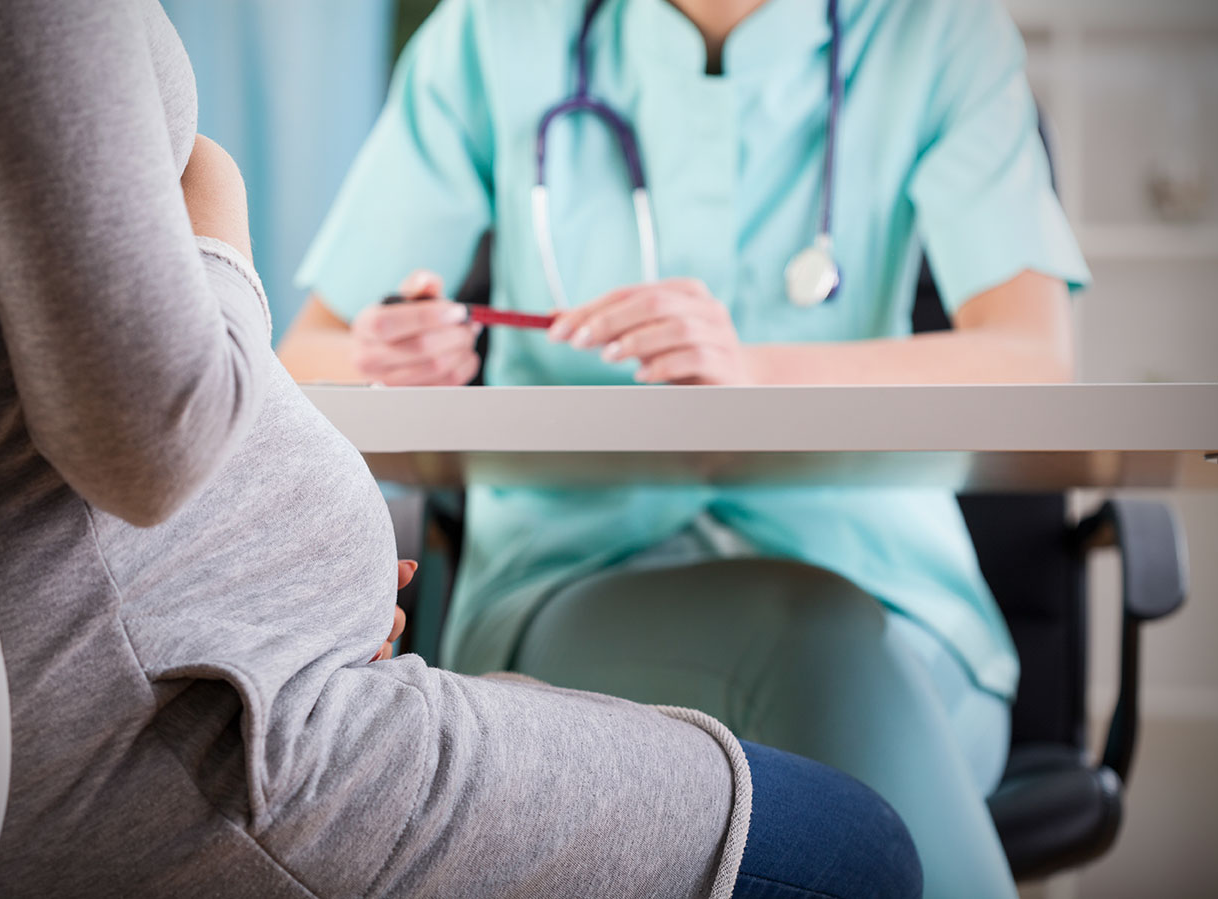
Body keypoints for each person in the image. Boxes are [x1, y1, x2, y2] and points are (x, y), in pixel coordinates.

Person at [0, 0, 921, 896]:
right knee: (852, 849)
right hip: (199, 732)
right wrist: (212, 204)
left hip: (164, 686)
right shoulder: (493, 34)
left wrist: (290, 578)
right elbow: (148, 437)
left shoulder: (919, 34)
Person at [278, 0, 1092, 895]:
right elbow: (302, 357)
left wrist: (752, 367)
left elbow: (1033, 358)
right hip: (574, 591)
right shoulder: (493, 33)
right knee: (808, 639)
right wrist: (384, 356)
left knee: (830, 648)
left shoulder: (935, 32)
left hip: (899, 612)